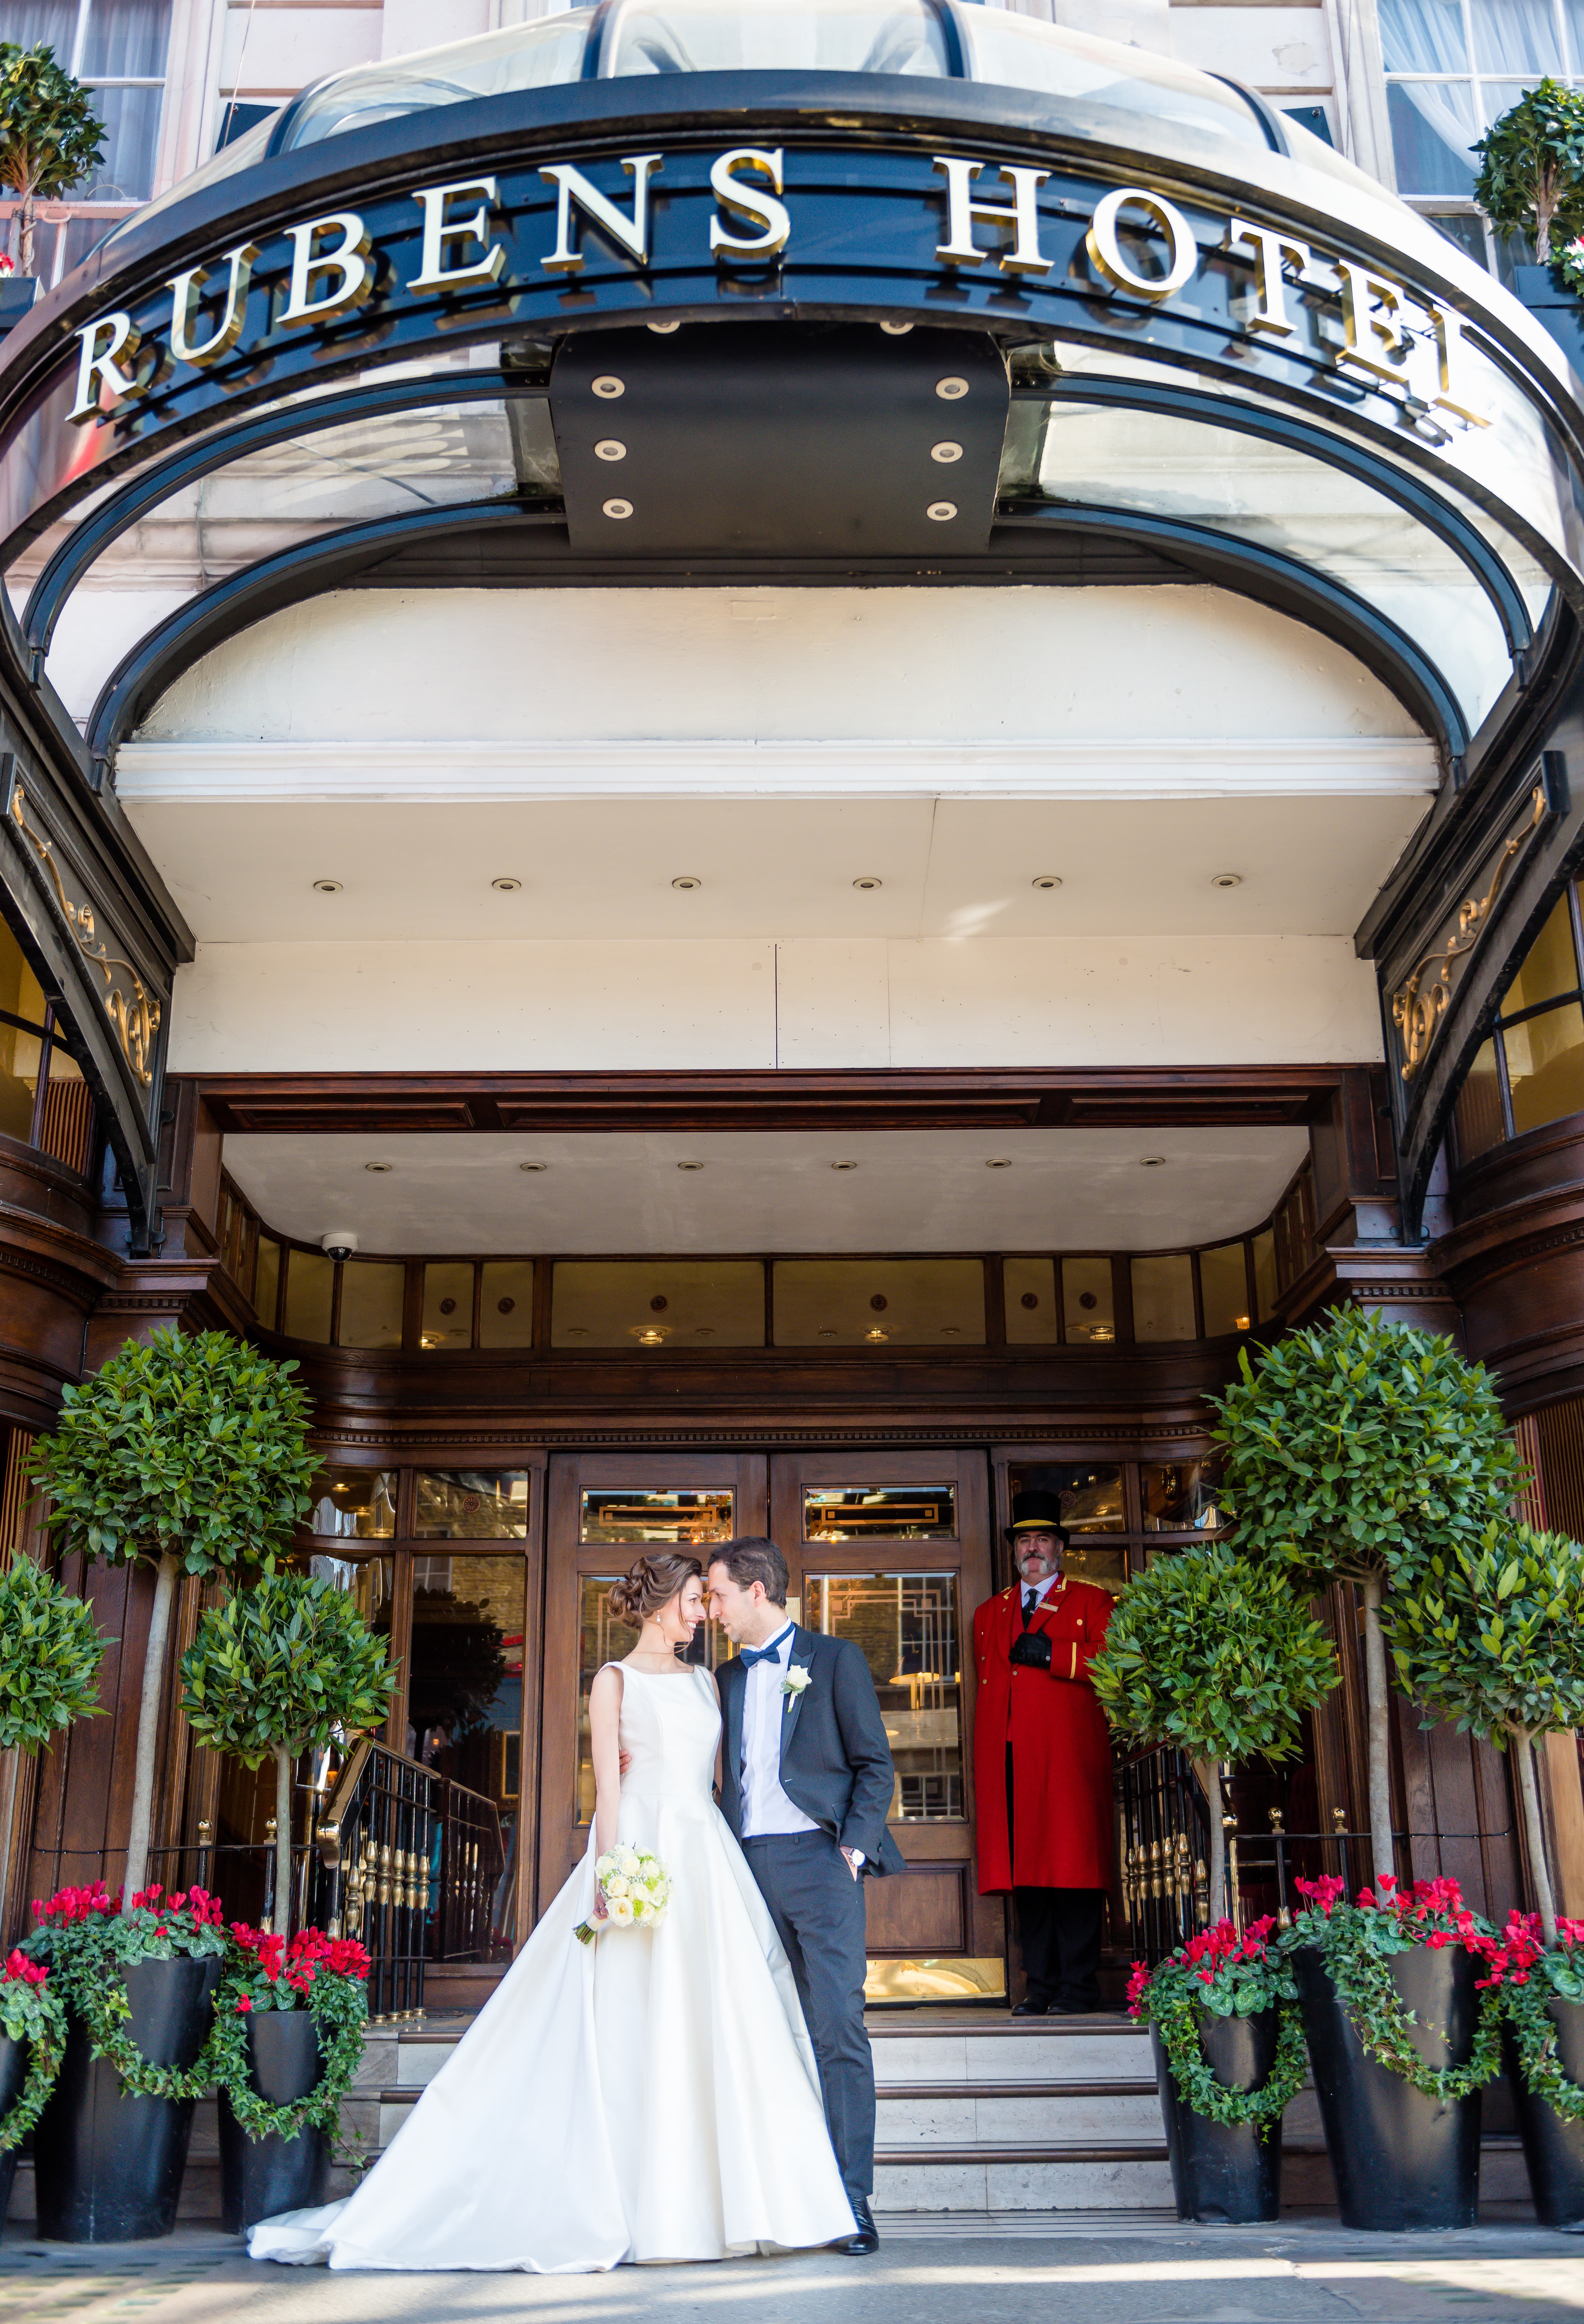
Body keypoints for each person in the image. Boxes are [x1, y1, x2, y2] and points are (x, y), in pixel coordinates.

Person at [246, 1552, 857, 2272]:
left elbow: (736, 1775)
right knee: (633, 2023)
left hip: (706, 1857)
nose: (704, 1612)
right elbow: (608, 1789)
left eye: (707, 1599)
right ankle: (640, 2202)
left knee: (715, 2019)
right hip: (642, 1853)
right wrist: (613, 1874)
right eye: (695, 1598)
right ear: (663, 1601)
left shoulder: (707, 1681)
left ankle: (735, 2199)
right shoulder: (613, 1680)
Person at [706, 1536, 904, 2258]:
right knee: (757, 2029)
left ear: (757, 1591)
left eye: (720, 1594)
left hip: (820, 1864)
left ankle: (851, 2199)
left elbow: (874, 1765)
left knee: (836, 2028)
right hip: (744, 1866)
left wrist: (849, 1851)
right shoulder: (724, 1677)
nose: (713, 1609)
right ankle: (778, 2192)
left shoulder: (835, 1659)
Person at [972, 1490, 1115, 2017]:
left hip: (1068, 1758)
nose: (1034, 1548)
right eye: (1025, 1540)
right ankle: (1042, 1986)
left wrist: (1056, 1654)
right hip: (1010, 1757)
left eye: (1044, 1539)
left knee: (1073, 1871)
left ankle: (1079, 1986)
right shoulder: (990, 1613)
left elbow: (1117, 1666)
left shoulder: (1093, 1602)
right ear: (1015, 1550)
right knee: (1027, 1877)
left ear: (1060, 1549)